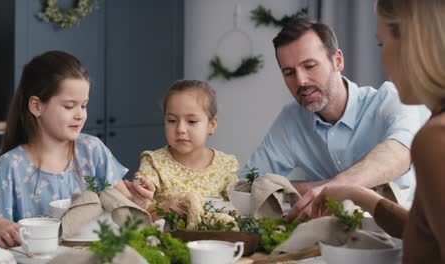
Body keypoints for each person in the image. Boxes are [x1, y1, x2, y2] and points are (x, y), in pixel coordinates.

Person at [241, 17, 424, 220]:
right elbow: (249, 183)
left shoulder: (388, 98)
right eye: (289, 72)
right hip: (327, 239)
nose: (301, 81)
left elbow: (402, 151)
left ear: (337, 61)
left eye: (310, 66)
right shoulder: (291, 119)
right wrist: (320, 188)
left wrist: (329, 188)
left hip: (401, 233)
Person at [0, 51, 154, 248]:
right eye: (69, 106)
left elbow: (123, 206)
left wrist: (138, 201)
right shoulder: (12, 165)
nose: (80, 115)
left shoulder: (93, 151)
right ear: (36, 106)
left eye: (84, 105)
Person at [312, 0, 445, 262]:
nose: (383, 61)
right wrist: (356, 194)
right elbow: (425, 232)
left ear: (414, 44)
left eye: (382, 44)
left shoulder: (434, 138)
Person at [136, 80, 239, 212]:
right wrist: (164, 208)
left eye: (192, 121)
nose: (181, 129)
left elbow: (236, 210)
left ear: (211, 125)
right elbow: (137, 211)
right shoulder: (153, 163)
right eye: (172, 120)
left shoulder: (225, 165)